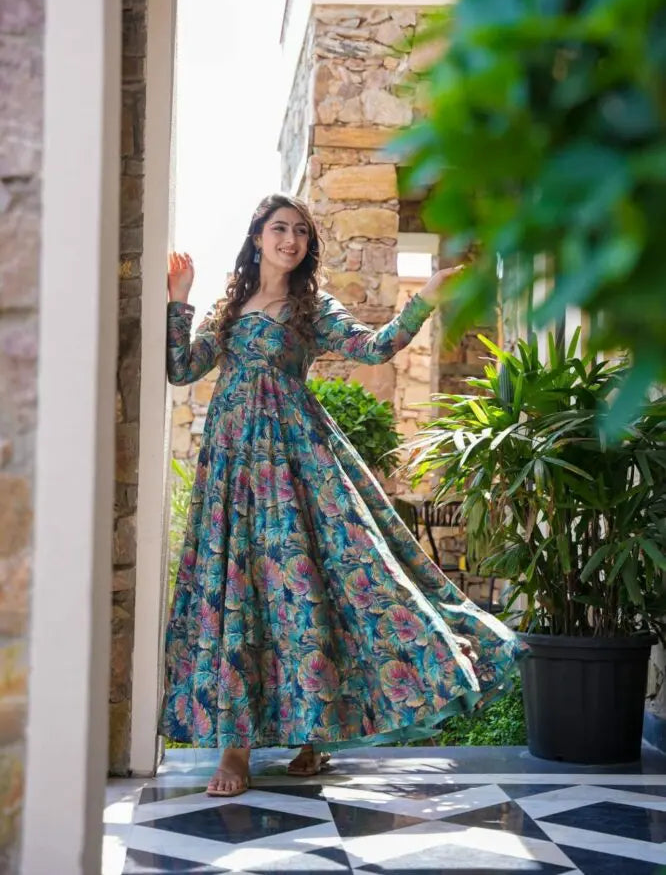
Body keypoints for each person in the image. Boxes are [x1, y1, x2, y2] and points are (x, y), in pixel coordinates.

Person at [160, 193, 524, 798]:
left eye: (301, 232)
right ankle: (236, 749)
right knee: (243, 589)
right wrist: (180, 298)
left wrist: (424, 299)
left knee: (315, 585)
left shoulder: (312, 308)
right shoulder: (228, 311)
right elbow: (181, 370)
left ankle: (315, 734)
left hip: (297, 469)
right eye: (280, 228)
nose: (291, 240)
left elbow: (373, 348)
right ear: (257, 238)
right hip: (232, 472)